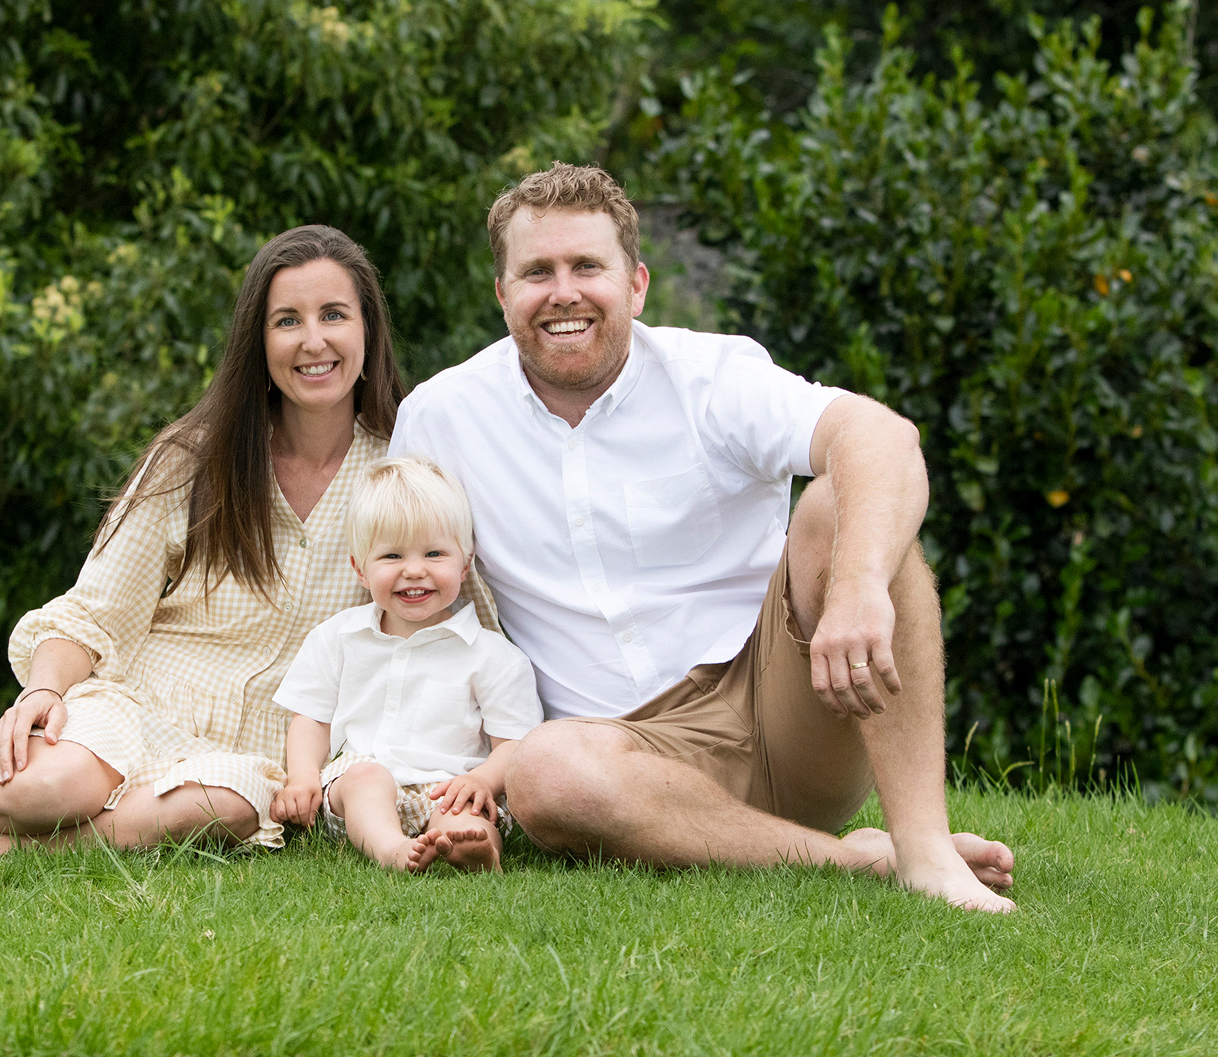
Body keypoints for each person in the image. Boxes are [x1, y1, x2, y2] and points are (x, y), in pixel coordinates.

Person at [389, 163, 1019, 912]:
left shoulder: (713, 377)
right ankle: (858, 865)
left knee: (842, 506)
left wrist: (855, 586)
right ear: (502, 295)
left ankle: (924, 848)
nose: (563, 292)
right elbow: (393, 575)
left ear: (637, 284)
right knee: (544, 771)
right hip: (613, 759)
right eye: (537, 272)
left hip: (780, 706)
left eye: (588, 265)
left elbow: (882, 435)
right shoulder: (442, 416)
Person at [0, 224, 416, 869]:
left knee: (221, 809)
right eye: (287, 320)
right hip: (141, 705)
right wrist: (43, 687)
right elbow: (95, 607)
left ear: (367, 330)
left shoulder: (403, 470)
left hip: (269, 752)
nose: (313, 340)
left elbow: (457, 605)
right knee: (48, 789)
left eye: (334, 314)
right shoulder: (195, 457)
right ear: (258, 341)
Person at [268, 457, 542, 873]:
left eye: (434, 553)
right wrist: (302, 776)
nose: (414, 571)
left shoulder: (492, 655)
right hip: (361, 786)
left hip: (448, 785)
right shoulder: (337, 638)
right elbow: (311, 718)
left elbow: (515, 746)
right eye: (392, 555)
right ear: (360, 569)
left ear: (464, 564)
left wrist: (482, 781)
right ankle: (393, 850)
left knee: (464, 812)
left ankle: (472, 848)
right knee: (365, 779)